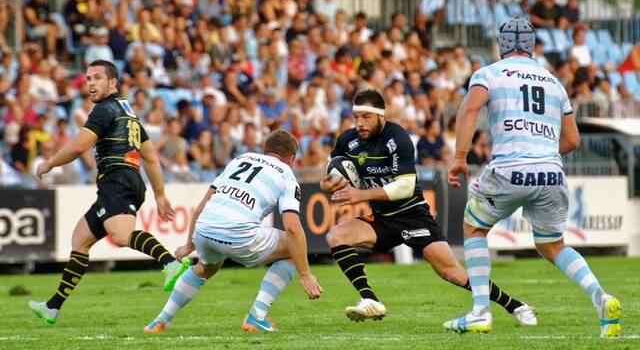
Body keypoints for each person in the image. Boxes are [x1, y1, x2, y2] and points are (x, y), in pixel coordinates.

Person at [443, 18, 621, 338]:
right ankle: (601, 297)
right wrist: (541, 151)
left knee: (473, 227)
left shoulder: (490, 73)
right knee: (552, 244)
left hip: (510, 168)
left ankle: (480, 311)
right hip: (552, 174)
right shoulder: (554, 83)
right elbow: (571, 141)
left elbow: (469, 110)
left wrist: (459, 157)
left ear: (502, 44)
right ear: (531, 45)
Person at [320, 89, 535, 325]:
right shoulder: (347, 140)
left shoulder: (397, 138)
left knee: (451, 272)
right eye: (356, 116)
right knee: (336, 236)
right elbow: (333, 169)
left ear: (382, 116)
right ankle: (370, 300)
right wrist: (327, 182)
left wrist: (361, 194)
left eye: (366, 117)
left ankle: (516, 306)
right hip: (382, 219)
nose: (359, 123)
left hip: (413, 215)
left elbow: (405, 187)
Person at [29, 60, 191, 324]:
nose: (90, 83)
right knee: (80, 240)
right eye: (88, 78)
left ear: (112, 83)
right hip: (125, 179)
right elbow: (149, 156)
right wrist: (159, 195)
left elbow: (78, 146)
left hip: (117, 179)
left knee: (120, 235)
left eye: (97, 78)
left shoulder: (104, 109)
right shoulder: (128, 112)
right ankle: (53, 306)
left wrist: (49, 163)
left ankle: (169, 262)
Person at [143, 130, 323, 333]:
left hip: (205, 229)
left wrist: (189, 246)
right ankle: (257, 316)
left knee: (205, 268)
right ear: (292, 158)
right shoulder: (286, 174)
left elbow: (201, 207)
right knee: (293, 248)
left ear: (265, 150)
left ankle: (160, 320)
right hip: (238, 234)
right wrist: (305, 274)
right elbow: (292, 227)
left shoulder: (241, 158)